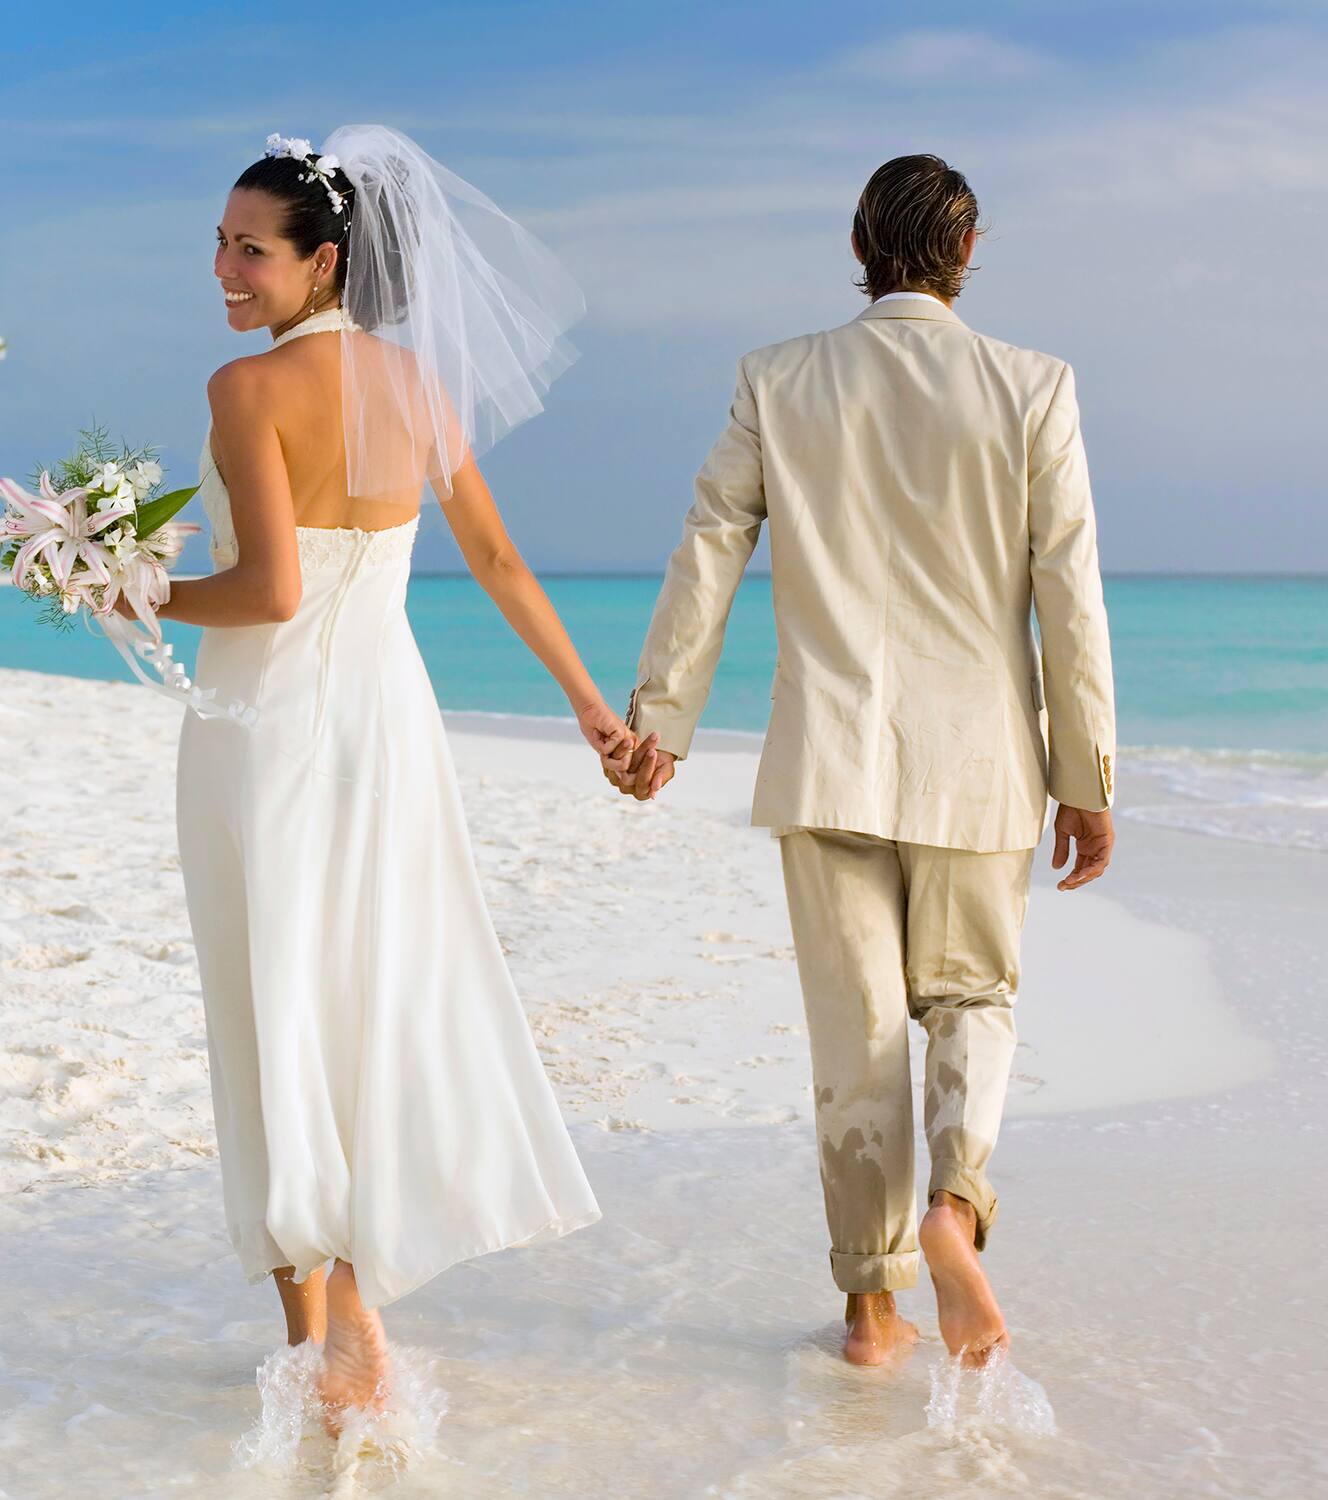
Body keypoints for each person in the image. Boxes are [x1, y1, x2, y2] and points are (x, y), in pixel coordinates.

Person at [134, 128, 617, 1433]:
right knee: (366, 995)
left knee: (274, 999)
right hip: (390, 725)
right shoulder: (417, 383)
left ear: (324, 260)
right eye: (221, 245)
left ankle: (338, 1318)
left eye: (252, 249)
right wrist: (587, 705)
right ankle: (324, 1324)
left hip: (269, 721)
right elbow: (503, 563)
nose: (225, 271)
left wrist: (133, 587)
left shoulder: (246, 391)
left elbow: (269, 592)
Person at [607, 154, 1117, 1368]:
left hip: (825, 757)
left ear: (856, 241)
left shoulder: (776, 379)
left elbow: (708, 549)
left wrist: (659, 721)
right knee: (971, 1001)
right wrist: (1086, 777)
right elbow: (1069, 594)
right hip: (980, 762)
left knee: (857, 1038)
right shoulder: (1031, 386)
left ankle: (870, 1312)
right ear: (969, 245)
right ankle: (954, 1207)